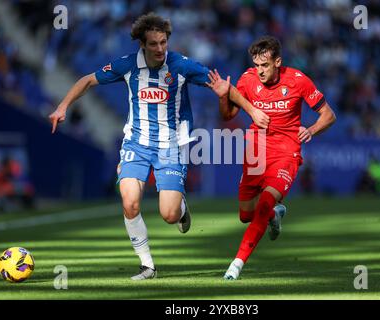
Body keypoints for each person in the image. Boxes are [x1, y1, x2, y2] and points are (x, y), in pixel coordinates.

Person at [48, 13, 269, 280]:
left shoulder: (181, 65)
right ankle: (147, 266)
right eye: (153, 44)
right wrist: (62, 106)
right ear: (142, 45)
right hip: (136, 143)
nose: (160, 49)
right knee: (130, 202)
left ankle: (181, 208)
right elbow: (88, 80)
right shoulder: (128, 65)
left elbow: (224, 88)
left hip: (171, 146)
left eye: (163, 42)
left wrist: (252, 110)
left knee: (169, 214)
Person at [207, 36, 336, 280]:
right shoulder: (247, 79)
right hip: (255, 152)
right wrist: (224, 96)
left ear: (278, 62)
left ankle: (236, 265)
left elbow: (329, 115)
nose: (260, 71)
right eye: (257, 65)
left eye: (265, 65)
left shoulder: (298, 81)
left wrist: (310, 130)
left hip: (286, 153)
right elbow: (227, 115)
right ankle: (274, 214)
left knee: (264, 202)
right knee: (246, 215)